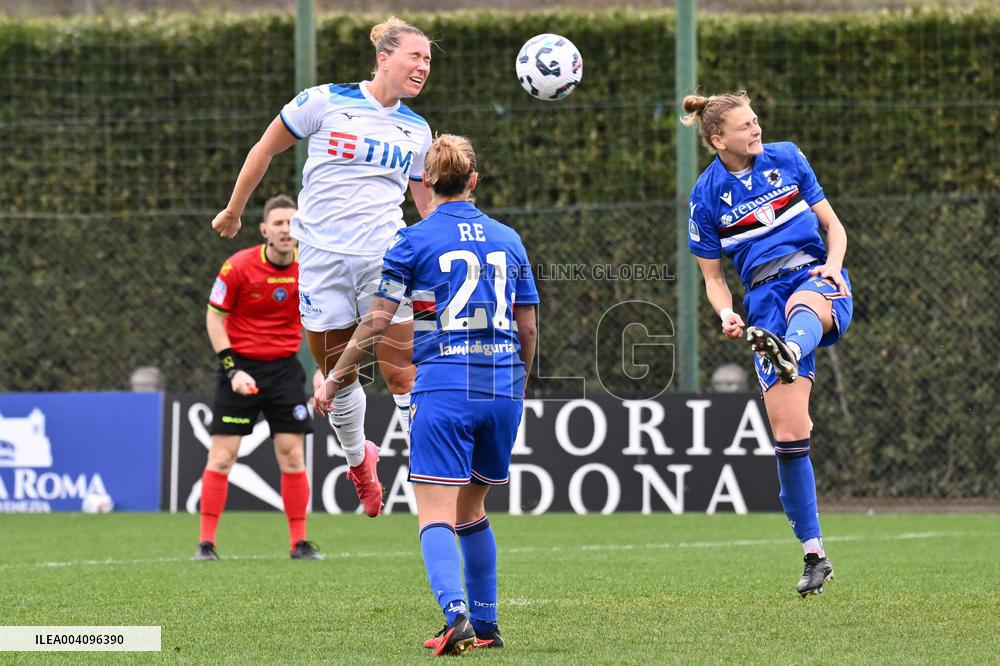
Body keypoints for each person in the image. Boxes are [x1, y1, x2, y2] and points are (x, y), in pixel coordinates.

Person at [314, 135, 539, 655]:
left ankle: (456, 616)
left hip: (444, 384)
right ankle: (487, 626)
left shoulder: (411, 242)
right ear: (474, 181)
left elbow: (376, 323)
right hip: (502, 386)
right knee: (473, 509)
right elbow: (527, 324)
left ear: (427, 184)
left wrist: (333, 376)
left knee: (434, 512)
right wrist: (519, 380)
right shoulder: (509, 238)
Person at [211, 17, 434, 518]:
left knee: (402, 375)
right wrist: (233, 208)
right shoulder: (324, 101)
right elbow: (265, 149)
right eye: (414, 56)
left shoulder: (418, 130)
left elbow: (425, 207)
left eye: (427, 60)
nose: (422, 66)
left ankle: (430, 474)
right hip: (322, 262)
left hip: (385, 257)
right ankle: (360, 462)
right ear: (384, 57)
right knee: (338, 374)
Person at [683, 91, 852, 597]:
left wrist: (834, 266)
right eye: (746, 126)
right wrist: (726, 312)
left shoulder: (788, 157)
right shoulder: (706, 196)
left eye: (757, 122)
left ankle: (791, 350)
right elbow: (713, 279)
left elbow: (833, 226)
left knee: (806, 309)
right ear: (718, 139)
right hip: (761, 303)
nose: (757, 130)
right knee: (789, 434)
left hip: (814, 275)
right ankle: (814, 554)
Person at [195, 194, 323, 562]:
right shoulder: (237, 267)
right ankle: (206, 544)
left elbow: (325, 321)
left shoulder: (312, 267)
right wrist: (232, 370)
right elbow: (214, 318)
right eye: (278, 223)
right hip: (241, 370)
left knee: (293, 456)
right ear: (264, 229)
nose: (286, 229)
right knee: (222, 457)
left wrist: (322, 372)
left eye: (291, 223)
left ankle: (299, 543)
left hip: (285, 370)